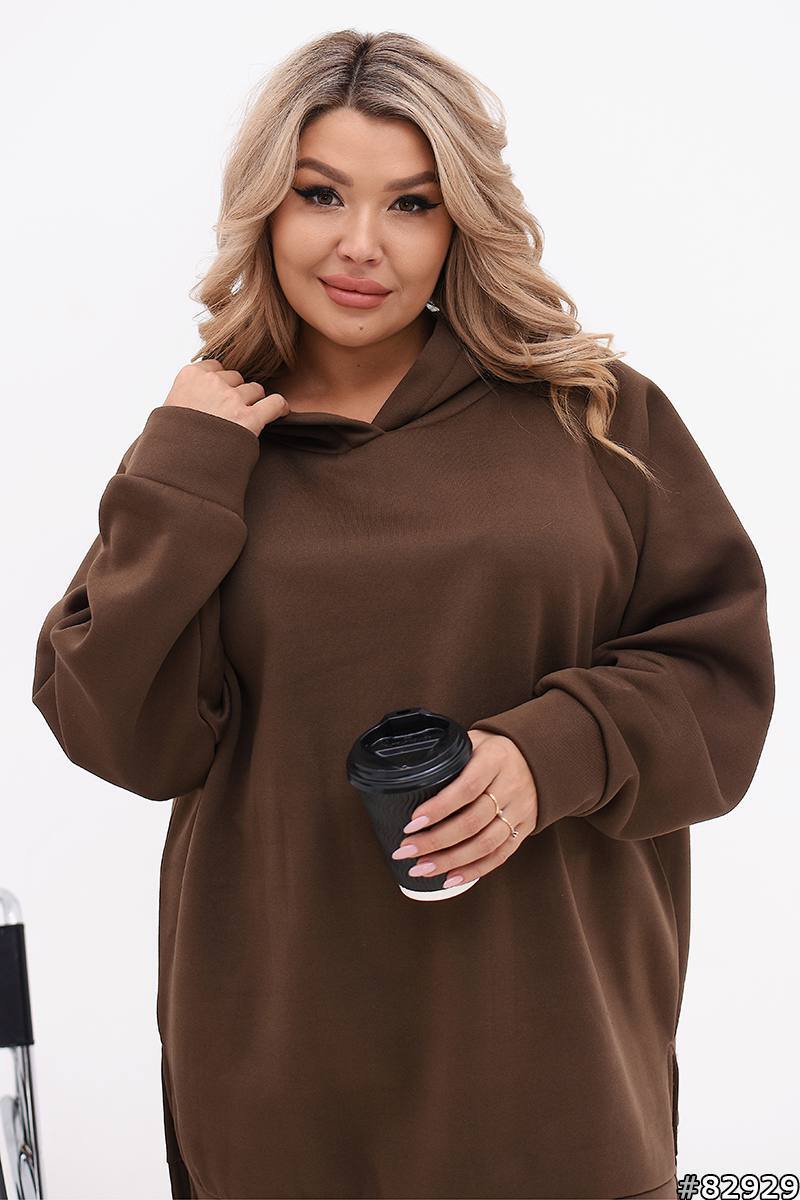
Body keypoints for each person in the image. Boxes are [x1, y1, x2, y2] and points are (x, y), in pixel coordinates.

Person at [31, 28, 775, 1200]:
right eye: (320, 194)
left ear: (460, 221)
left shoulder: (591, 416)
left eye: (411, 204)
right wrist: (182, 468)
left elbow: (717, 676)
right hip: (276, 1083)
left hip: (553, 1070)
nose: (360, 246)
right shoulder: (210, 445)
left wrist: (550, 754)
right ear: (264, 207)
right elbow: (120, 735)